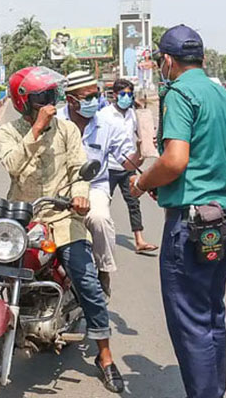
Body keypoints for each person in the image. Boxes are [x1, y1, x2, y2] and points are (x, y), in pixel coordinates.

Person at [129, 25, 226, 398]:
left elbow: (175, 160)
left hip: (190, 224)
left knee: (191, 321)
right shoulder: (225, 97)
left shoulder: (178, 93)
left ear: (167, 60)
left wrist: (145, 182)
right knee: (212, 314)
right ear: (204, 59)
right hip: (224, 219)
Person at [0, 66, 125, 393]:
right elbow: (12, 166)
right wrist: (36, 131)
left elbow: (78, 170)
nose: (51, 103)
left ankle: (105, 356)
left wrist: (80, 197)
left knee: (86, 280)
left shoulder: (67, 129)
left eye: (52, 96)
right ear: (24, 102)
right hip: (23, 217)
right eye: (43, 98)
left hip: (62, 215)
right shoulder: (9, 132)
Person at [58, 70, 144, 300]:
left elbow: (126, 161)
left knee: (99, 219)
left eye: (96, 96)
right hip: (57, 187)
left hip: (93, 186)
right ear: (71, 100)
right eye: (87, 98)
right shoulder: (55, 122)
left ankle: (104, 270)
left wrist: (142, 151)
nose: (94, 102)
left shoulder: (106, 124)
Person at [102, 79, 158, 254]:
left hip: (128, 166)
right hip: (109, 167)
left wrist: (148, 138)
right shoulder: (105, 115)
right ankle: (96, 239)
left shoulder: (133, 114)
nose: (126, 98)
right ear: (115, 95)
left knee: (133, 202)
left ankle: (139, 240)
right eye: (123, 94)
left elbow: (142, 133)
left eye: (129, 94)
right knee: (102, 204)